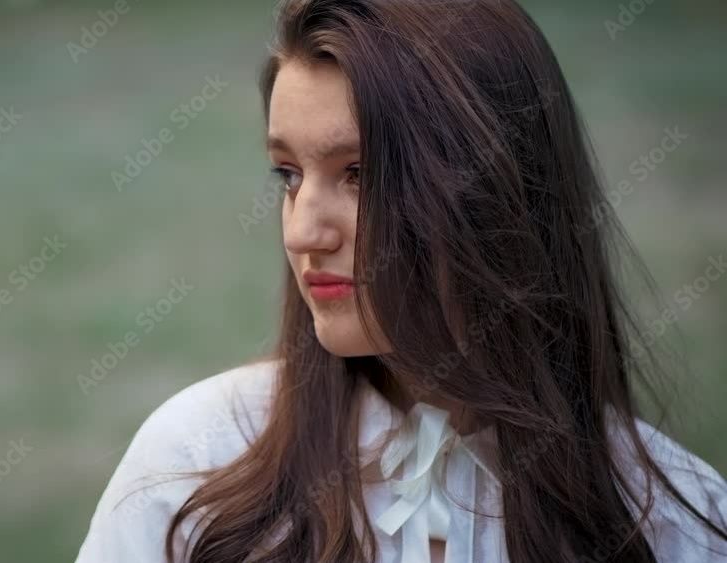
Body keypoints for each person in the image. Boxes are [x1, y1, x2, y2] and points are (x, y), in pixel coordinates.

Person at [75, 1, 727, 561]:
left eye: (359, 173)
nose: (303, 232)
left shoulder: (672, 519)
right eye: (289, 174)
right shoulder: (196, 465)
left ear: (495, 189)